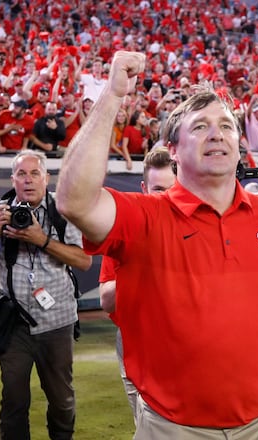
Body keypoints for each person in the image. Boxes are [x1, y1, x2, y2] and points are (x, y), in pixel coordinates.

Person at [56, 51, 258, 438]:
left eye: (226, 126)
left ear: (240, 146)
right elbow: (73, 201)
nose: (216, 133)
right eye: (199, 127)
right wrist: (112, 95)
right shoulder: (144, 215)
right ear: (173, 150)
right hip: (174, 429)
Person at [0, 150, 92, 440]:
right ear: (13, 179)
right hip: (12, 321)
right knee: (14, 400)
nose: (28, 180)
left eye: (35, 174)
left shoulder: (64, 209)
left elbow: (83, 260)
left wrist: (40, 239)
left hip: (57, 322)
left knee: (61, 399)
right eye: (22, 174)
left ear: (46, 178)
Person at [98, 146, 177, 422]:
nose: (165, 197)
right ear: (144, 188)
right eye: (158, 189)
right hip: (136, 340)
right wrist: (145, 264)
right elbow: (106, 299)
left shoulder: (198, 228)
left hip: (184, 339)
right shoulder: (124, 233)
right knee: (145, 425)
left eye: (171, 188)